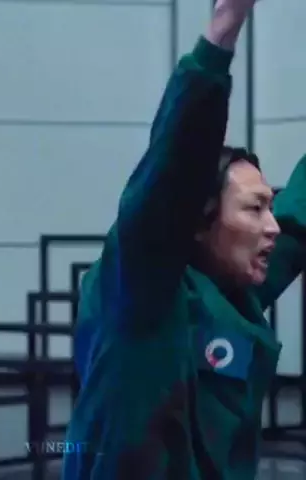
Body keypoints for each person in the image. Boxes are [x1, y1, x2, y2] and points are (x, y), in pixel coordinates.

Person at [62, 0, 306, 479]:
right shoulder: (141, 298)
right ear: (197, 221)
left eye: (270, 207)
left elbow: (297, 224)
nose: (272, 226)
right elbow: (171, 173)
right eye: (254, 209)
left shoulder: (231, 290)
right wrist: (221, 35)